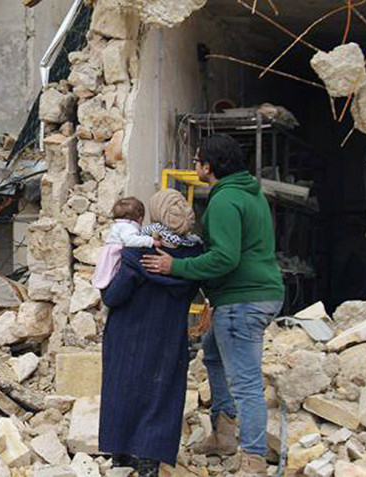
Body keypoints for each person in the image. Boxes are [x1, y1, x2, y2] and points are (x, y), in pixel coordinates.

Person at [140, 134, 284, 477]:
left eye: (197, 161)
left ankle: (254, 460)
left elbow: (224, 258)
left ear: (209, 166)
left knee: (245, 382)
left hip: (243, 300)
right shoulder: (250, 193)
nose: (194, 166)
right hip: (253, 294)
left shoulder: (224, 201)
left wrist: (174, 266)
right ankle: (223, 435)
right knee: (214, 354)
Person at [98, 189, 203, 477]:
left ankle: (121, 454)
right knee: (162, 393)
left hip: (128, 334)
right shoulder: (192, 256)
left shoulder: (137, 251)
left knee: (122, 387)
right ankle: (149, 461)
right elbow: (191, 289)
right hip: (168, 336)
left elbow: (114, 296)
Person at [91, 197, 161, 290]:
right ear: (140, 219)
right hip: (115, 253)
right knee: (112, 272)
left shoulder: (118, 225)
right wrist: (150, 241)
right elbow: (130, 240)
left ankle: (100, 282)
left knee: (105, 270)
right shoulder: (128, 226)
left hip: (110, 251)